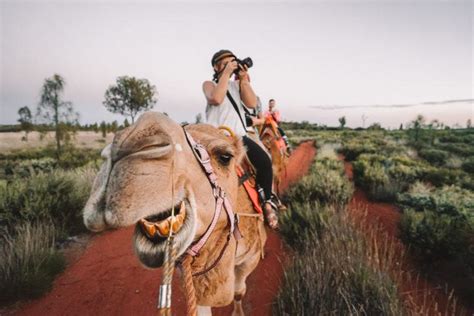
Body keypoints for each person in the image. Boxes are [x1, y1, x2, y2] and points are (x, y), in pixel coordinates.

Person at [202, 49, 278, 229]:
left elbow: (251, 103)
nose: (232, 65)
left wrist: (243, 79)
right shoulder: (208, 85)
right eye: (226, 62)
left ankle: (267, 202)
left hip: (238, 137)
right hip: (215, 136)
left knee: (265, 162)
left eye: (233, 62)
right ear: (216, 66)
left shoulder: (237, 87)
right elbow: (217, 98)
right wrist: (227, 73)